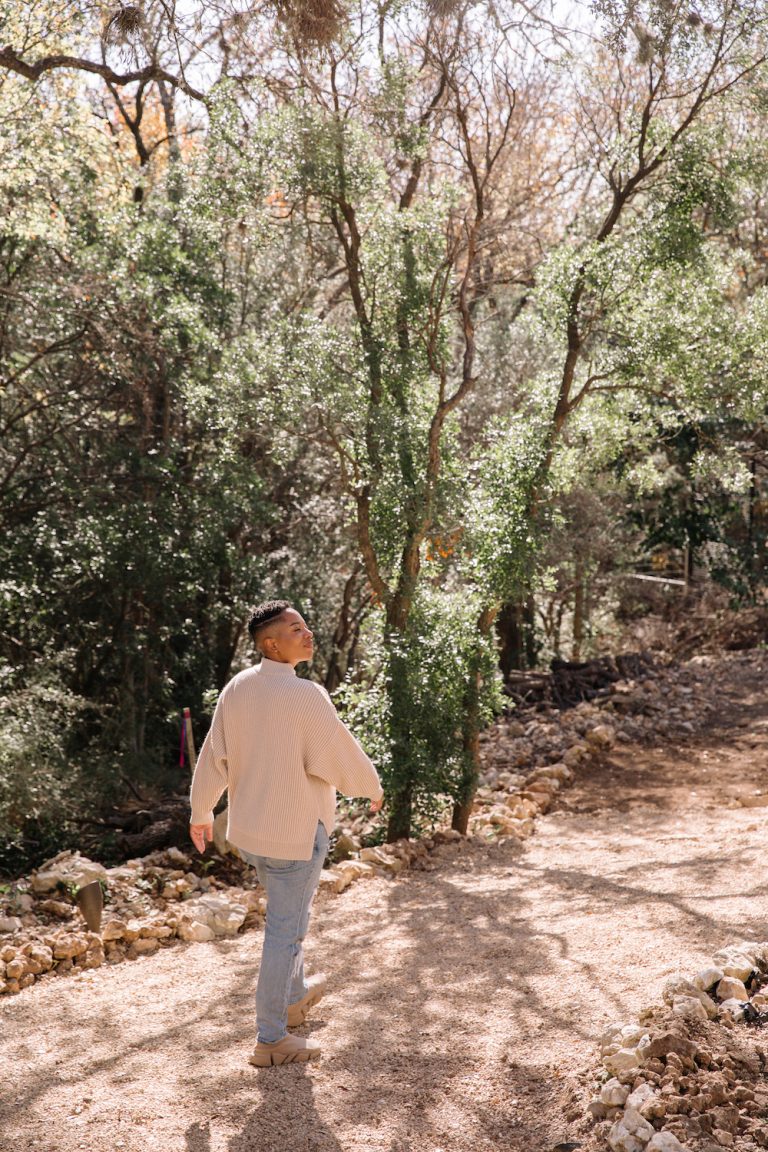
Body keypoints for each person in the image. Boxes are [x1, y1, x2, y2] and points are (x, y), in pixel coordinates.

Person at [189, 599, 383, 1067]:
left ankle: (293, 999)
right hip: (297, 833)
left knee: (290, 919)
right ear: (271, 644)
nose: (307, 634)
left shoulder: (238, 688)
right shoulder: (305, 695)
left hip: (254, 833)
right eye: (296, 629)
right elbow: (338, 751)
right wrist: (371, 787)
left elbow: (214, 755)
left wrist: (200, 812)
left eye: (306, 626)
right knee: (285, 933)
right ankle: (270, 1037)